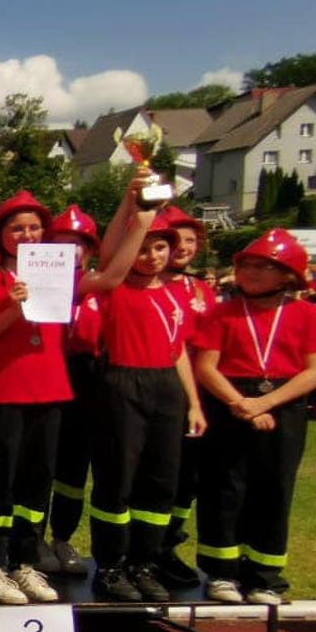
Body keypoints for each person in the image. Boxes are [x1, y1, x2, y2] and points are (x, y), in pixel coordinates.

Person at [0, 188, 151, 605]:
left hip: (49, 392)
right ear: (1, 234)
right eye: (16, 228)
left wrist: (140, 217)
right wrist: (12, 309)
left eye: (33, 228)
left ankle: (25, 561)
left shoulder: (57, 273)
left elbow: (112, 275)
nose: (26, 234)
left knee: (36, 485)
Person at [192, 229, 316, 606]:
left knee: (274, 488)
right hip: (228, 400)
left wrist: (263, 405)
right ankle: (221, 572)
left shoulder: (310, 315)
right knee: (224, 486)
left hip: (283, 404)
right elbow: (206, 367)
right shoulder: (222, 313)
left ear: (289, 275)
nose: (252, 272)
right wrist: (241, 403)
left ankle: (265, 576)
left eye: (265, 267)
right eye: (247, 264)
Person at [88, 203, 202, 602]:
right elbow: (110, 249)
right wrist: (132, 202)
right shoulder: (114, 287)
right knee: (118, 479)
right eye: (143, 248)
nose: (151, 256)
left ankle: (143, 562)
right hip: (123, 382)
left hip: (166, 387)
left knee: (160, 481)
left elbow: (179, 351)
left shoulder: (175, 295)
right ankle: (111, 566)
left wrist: (193, 403)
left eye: (159, 248)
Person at [156, 206, 218, 589]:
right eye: (173, 239)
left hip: (202, 387)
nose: (182, 247)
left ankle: (169, 541)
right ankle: (144, 547)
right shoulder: (146, 284)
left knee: (187, 474)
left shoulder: (200, 289)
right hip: (159, 385)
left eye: (190, 240)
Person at [41, 205, 102, 577]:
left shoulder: (97, 286)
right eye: (62, 244)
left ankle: (62, 536)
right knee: (39, 465)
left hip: (87, 377)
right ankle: (31, 540)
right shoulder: (37, 284)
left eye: (79, 244)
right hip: (47, 373)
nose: (72, 251)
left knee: (73, 469)